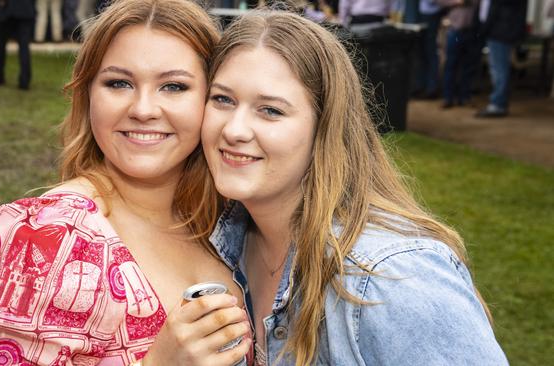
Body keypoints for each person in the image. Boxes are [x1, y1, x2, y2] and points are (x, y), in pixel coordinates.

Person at [0, 1, 252, 365]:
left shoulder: (230, 219)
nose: (143, 109)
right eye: (119, 83)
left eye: (173, 86)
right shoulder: (49, 238)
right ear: (88, 95)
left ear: (214, 100)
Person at [202, 9, 508, 365]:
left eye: (271, 110)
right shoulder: (228, 244)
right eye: (223, 99)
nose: (234, 130)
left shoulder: (391, 278)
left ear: (324, 128)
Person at [475, 0, 527, 117]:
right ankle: (498, 102)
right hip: (502, 30)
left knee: (499, 69)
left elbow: (495, 9)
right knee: (499, 68)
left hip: (500, 31)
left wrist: (483, 30)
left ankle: (498, 104)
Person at [438, 0, 480, 108]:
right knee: (450, 65)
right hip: (454, 29)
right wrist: (457, 2)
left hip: (472, 29)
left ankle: (464, 97)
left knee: (468, 65)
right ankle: (448, 98)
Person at [0, 0, 35, 90]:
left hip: (8, 9)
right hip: (24, 9)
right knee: (24, 47)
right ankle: (24, 81)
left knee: (2, 46)